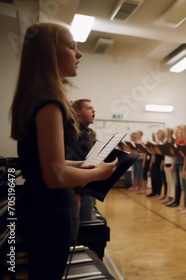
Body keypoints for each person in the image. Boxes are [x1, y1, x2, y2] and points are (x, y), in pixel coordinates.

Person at [10, 23, 116, 279]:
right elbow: (55, 176)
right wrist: (97, 173)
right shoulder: (49, 103)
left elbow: (51, 163)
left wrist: (81, 166)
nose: (79, 55)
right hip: (50, 213)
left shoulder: (37, 97)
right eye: (71, 47)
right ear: (49, 53)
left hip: (40, 208)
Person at [71, 99, 97, 223]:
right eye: (89, 108)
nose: (93, 110)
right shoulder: (76, 133)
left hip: (85, 189)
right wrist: (76, 195)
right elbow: (72, 164)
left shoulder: (85, 133)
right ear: (78, 112)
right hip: (80, 192)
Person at [167, 125, 186, 207]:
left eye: (179, 132)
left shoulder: (185, 142)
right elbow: (175, 156)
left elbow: (185, 156)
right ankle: (176, 201)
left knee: (182, 185)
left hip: (182, 164)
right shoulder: (176, 142)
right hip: (176, 164)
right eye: (177, 132)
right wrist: (173, 164)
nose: (177, 133)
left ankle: (183, 203)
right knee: (176, 184)